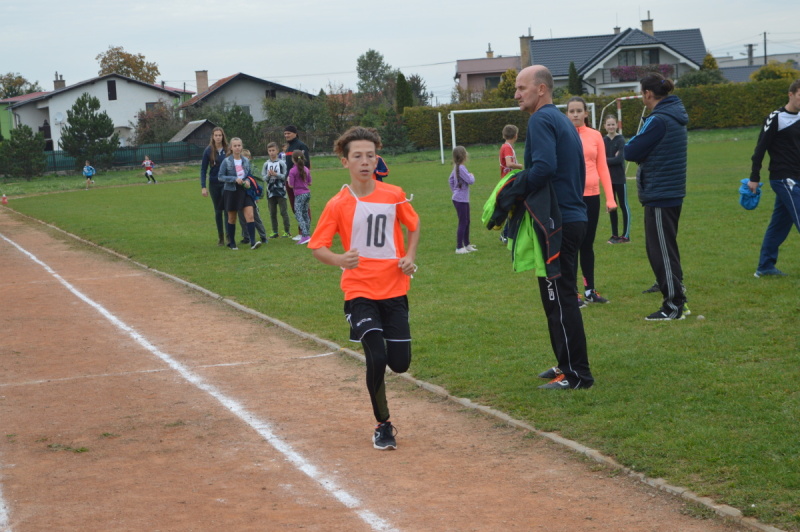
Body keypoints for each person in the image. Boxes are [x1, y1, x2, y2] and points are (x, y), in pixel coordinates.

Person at [308, 126, 419, 450]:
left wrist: (409, 257)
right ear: (345, 161)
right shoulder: (338, 203)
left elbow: (413, 226)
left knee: (400, 363)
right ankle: (383, 424)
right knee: (376, 356)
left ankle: (384, 409)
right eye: (357, 156)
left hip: (394, 290)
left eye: (370, 155)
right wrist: (340, 259)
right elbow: (318, 246)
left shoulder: (394, 195)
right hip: (359, 292)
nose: (365, 162)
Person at [512, 65, 593, 390]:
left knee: (560, 299)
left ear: (541, 89)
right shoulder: (560, 120)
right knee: (556, 298)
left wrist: (515, 188)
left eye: (522, 88)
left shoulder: (541, 119)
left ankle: (577, 375)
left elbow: (544, 167)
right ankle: (565, 362)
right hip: (570, 218)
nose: (516, 94)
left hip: (559, 223)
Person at [624, 73, 689, 320]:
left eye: (641, 93)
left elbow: (631, 151)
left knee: (661, 251)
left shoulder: (658, 119)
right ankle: (678, 296)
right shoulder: (673, 114)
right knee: (666, 248)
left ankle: (673, 306)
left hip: (661, 192)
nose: (641, 97)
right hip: (669, 190)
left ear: (648, 94)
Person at [566, 97, 617, 306]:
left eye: (579, 110)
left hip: (592, 197)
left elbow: (602, 167)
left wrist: (610, 198)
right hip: (571, 198)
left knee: (587, 245)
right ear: (567, 114)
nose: (575, 114)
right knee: (572, 246)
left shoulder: (595, 136)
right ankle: (573, 293)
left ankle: (590, 290)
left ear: (586, 113)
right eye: (571, 111)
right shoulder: (562, 135)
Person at [748, 78, 800, 278]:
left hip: (797, 176)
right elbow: (760, 149)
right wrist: (754, 177)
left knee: (779, 224)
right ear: (790, 94)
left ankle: (765, 266)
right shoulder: (776, 118)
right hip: (783, 178)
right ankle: (765, 266)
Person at [217, 137, 260, 250]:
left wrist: (248, 181)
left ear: (242, 147)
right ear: (231, 148)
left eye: (239, 145)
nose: (237, 148)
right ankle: (232, 243)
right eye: (235, 146)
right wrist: (234, 179)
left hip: (244, 191)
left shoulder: (245, 160)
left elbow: (249, 175)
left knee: (250, 216)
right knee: (232, 218)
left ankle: (253, 242)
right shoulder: (226, 161)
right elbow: (220, 176)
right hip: (231, 191)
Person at [604, 115, 631, 244]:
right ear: (605, 126)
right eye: (608, 124)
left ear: (617, 125)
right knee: (612, 206)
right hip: (608, 179)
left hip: (619, 178)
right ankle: (614, 235)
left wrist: (606, 160)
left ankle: (626, 236)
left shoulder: (620, 140)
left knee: (623, 205)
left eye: (613, 124)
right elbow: (600, 159)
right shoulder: (603, 140)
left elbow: (619, 159)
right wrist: (610, 159)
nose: (611, 127)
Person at [201, 127, 229, 246]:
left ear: (223, 136)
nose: (218, 137)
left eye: (220, 135)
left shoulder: (228, 149)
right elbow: (203, 170)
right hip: (214, 184)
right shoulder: (208, 150)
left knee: (227, 210)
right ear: (212, 137)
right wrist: (203, 186)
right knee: (218, 211)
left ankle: (229, 237)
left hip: (226, 183)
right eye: (216, 135)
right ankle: (221, 238)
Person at [284, 125, 311, 240]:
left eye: (289, 133)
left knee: (302, 208)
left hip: (299, 184)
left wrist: (302, 179)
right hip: (289, 181)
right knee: (295, 207)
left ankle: (304, 232)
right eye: (285, 133)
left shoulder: (301, 146)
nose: (286, 135)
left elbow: (306, 164)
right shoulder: (288, 147)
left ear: (295, 133)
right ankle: (303, 231)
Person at [449, 146, 476, 254]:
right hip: (460, 200)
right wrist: (471, 175)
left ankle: (467, 244)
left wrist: (455, 191)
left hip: (462, 199)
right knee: (463, 222)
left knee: (467, 221)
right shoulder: (461, 168)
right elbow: (470, 181)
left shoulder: (457, 167)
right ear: (464, 156)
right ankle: (459, 247)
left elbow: (450, 180)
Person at [239, 148, 268, 245]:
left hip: (251, 195)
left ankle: (263, 236)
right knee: (242, 218)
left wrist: (257, 196)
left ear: (250, 158)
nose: (245, 159)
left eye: (247, 157)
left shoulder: (253, 168)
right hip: (240, 195)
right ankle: (246, 237)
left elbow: (258, 182)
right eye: (243, 157)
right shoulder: (237, 167)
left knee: (255, 217)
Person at [263, 142, 291, 238]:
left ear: (277, 151)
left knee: (283, 212)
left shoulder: (281, 163)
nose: (271, 152)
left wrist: (276, 175)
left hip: (281, 191)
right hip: (270, 192)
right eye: (270, 151)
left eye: (273, 150)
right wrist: (268, 175)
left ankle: (287, 231)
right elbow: (263, 178)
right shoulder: (266, 164)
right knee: (272, 213)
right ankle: (275, 231)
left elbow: (285, 176)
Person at [287, 150, 312, 245]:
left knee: (298, 214)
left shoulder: (292, 171)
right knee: (305, 213)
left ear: (293, 159)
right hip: (307, 193)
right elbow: (310, 182)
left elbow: (291, 185)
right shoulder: (306, 169)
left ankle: (304, 235)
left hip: (299, 194)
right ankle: (307, 233)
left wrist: (288, 179)